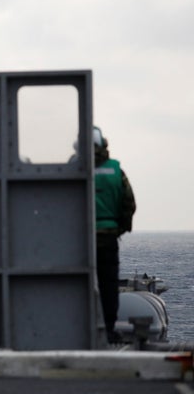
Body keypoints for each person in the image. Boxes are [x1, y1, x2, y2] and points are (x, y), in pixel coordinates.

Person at [93, 125, 136, 344]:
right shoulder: (115, 170)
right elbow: (128, 203)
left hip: (78, 239)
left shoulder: (74, 167)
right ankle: (108, 329)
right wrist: (120, 227)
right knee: (108, 284)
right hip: (108, 237)